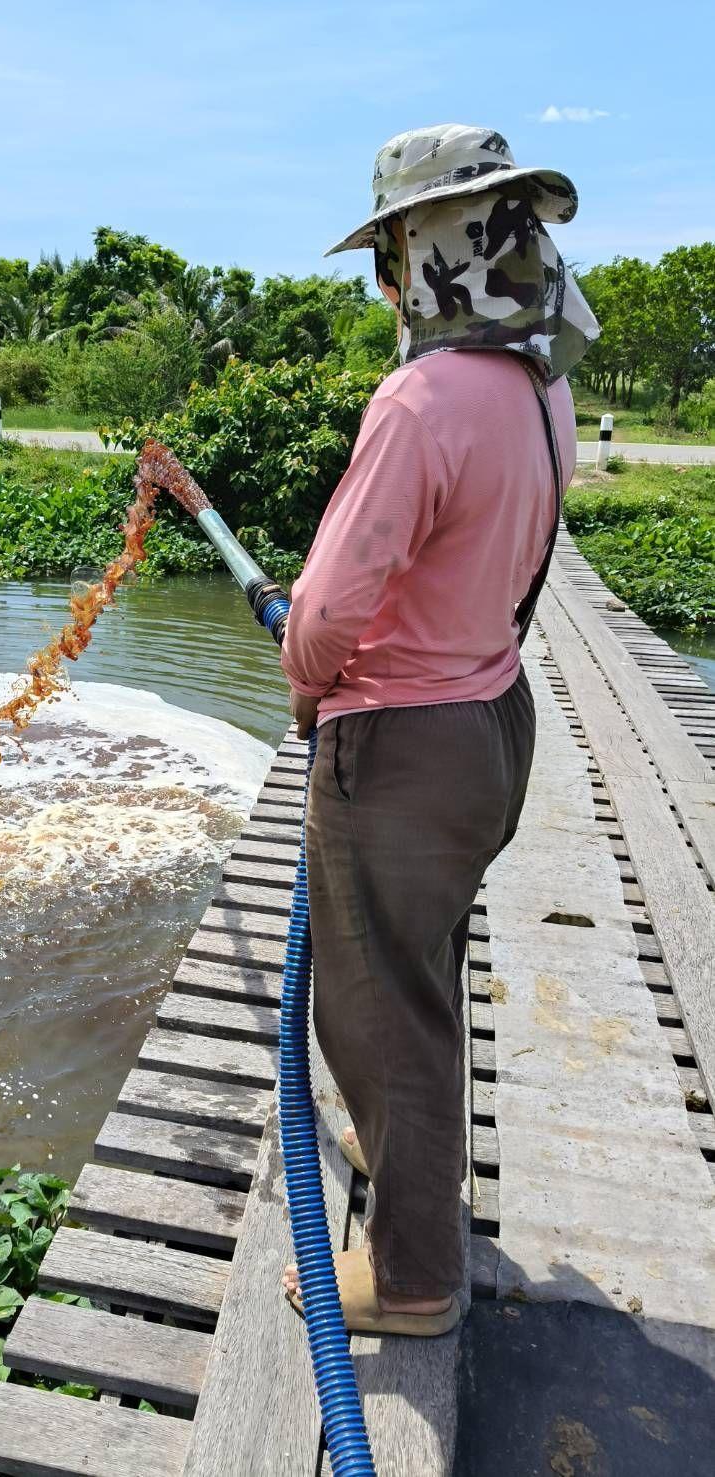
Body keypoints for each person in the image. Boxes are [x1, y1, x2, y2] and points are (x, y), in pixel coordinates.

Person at [280, 124, 599, 1336]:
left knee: (377, 1005)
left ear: (422, 254)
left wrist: (307, 680)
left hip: (401, 749)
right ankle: (412, 1149)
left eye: (389, 255)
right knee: (419, 978)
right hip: (491, 724)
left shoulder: (420, 400)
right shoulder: (542, 387)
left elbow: (327, 612)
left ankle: (413, 1279)